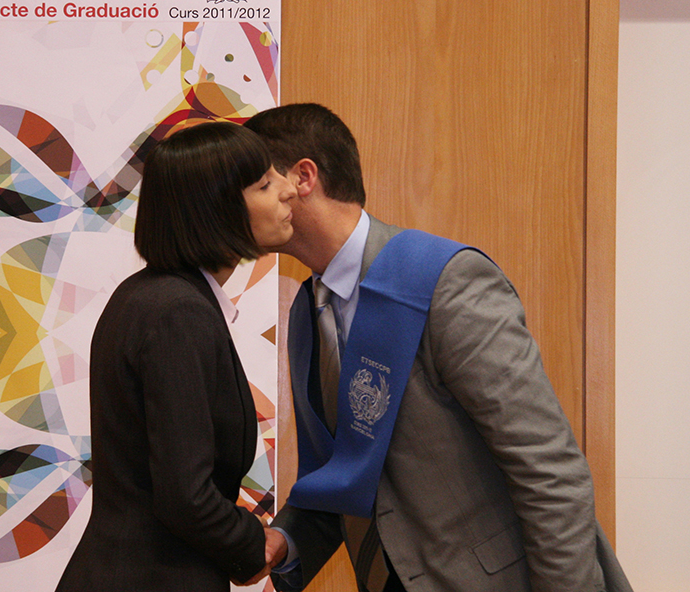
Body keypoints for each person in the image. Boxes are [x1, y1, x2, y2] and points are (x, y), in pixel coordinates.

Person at [243, 104, 633, 592]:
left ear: (303, 179)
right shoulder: (307, 311)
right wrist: (283, 540)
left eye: (251, 182)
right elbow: (345, 473)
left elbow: (548, 468)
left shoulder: (444, 279)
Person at [54, 120, 294, 592]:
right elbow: (186, 496)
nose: (288, 190)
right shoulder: (177, 312)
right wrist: (252, 544)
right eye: (265, 184)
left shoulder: (150, 295)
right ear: (216, 209)